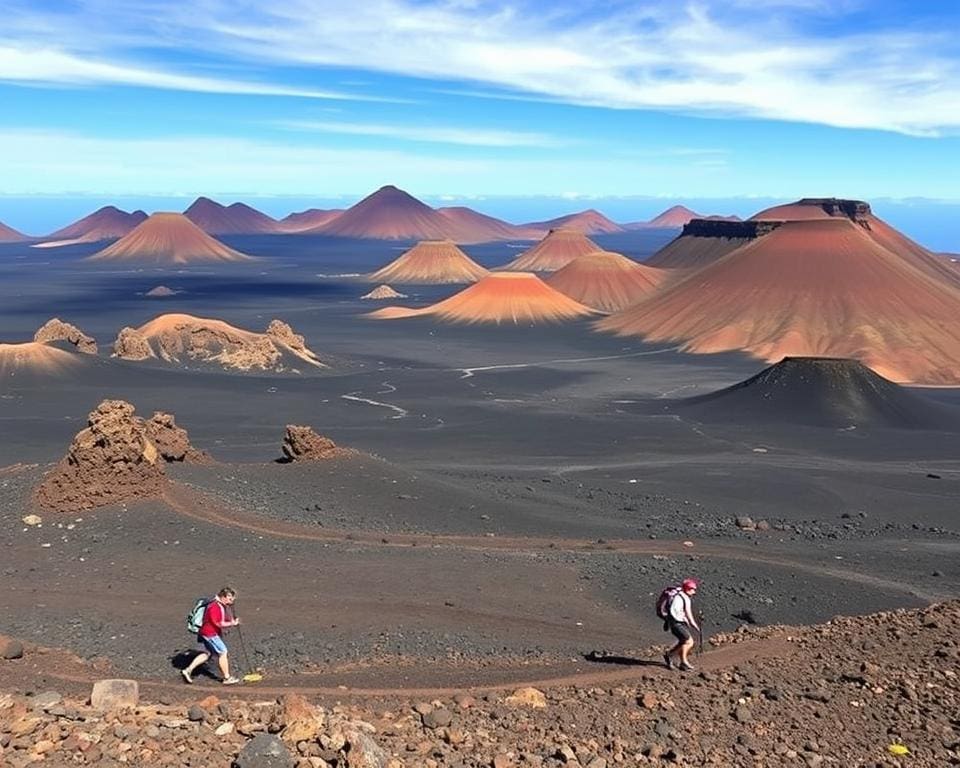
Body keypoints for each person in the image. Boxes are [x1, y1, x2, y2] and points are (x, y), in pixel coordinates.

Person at [181, 587, 241, 685]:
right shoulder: (215, 606)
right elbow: (218, 623)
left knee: (207, 653)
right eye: (230, 600)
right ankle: (227, 678)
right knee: (223, 652)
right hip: (210, 634)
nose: (231, 602)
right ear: (225, 597)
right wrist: (232, 623)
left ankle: (188, 670)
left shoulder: (216, 605)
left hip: (206, 632)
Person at [663, 578, 700, 671]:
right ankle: (683, 663)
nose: (694, 592)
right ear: (688, 589)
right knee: (689, 641)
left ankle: (670, 655)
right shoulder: (685, 598)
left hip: (673, 622)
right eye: (693, 589)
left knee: (684, 641)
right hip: (677, 623)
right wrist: (694, 625)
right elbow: (688, 613)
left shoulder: (679, 595)